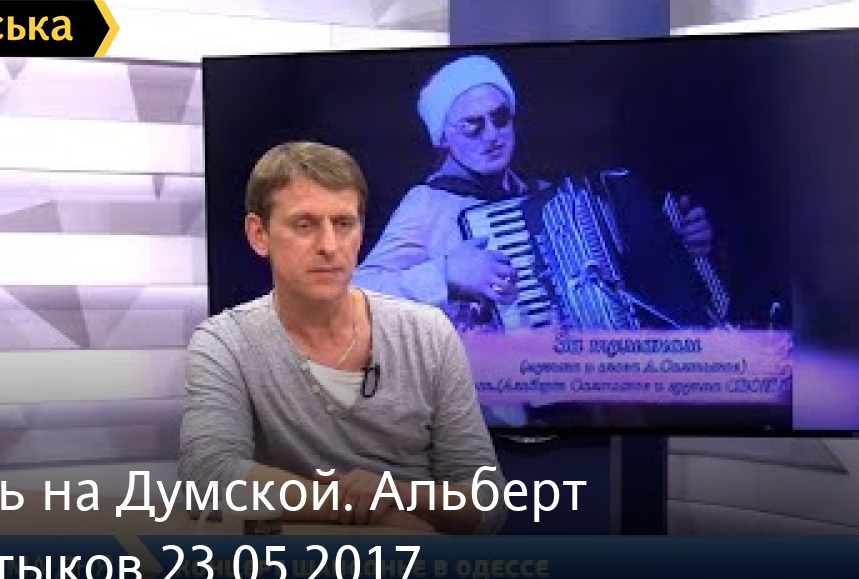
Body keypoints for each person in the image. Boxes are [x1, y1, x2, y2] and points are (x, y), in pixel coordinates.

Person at [179, 141, 507, 534]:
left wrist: (393, 494)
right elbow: (207, 479)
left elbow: (486, 502)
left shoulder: (428, 333)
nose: (329, 246)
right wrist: (369, 513)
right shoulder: (224, 342)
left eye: (343, 224)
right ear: (259, 234)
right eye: (304, 225)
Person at [352, 54, 715, 332]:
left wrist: (674, 247)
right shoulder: (426, 204)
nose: (492, 135)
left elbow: (622, 274)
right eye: (473, 125)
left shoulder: (546, 197)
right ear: (443, 137)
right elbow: (355, 293)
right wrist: (446, 274)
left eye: (500, 118)